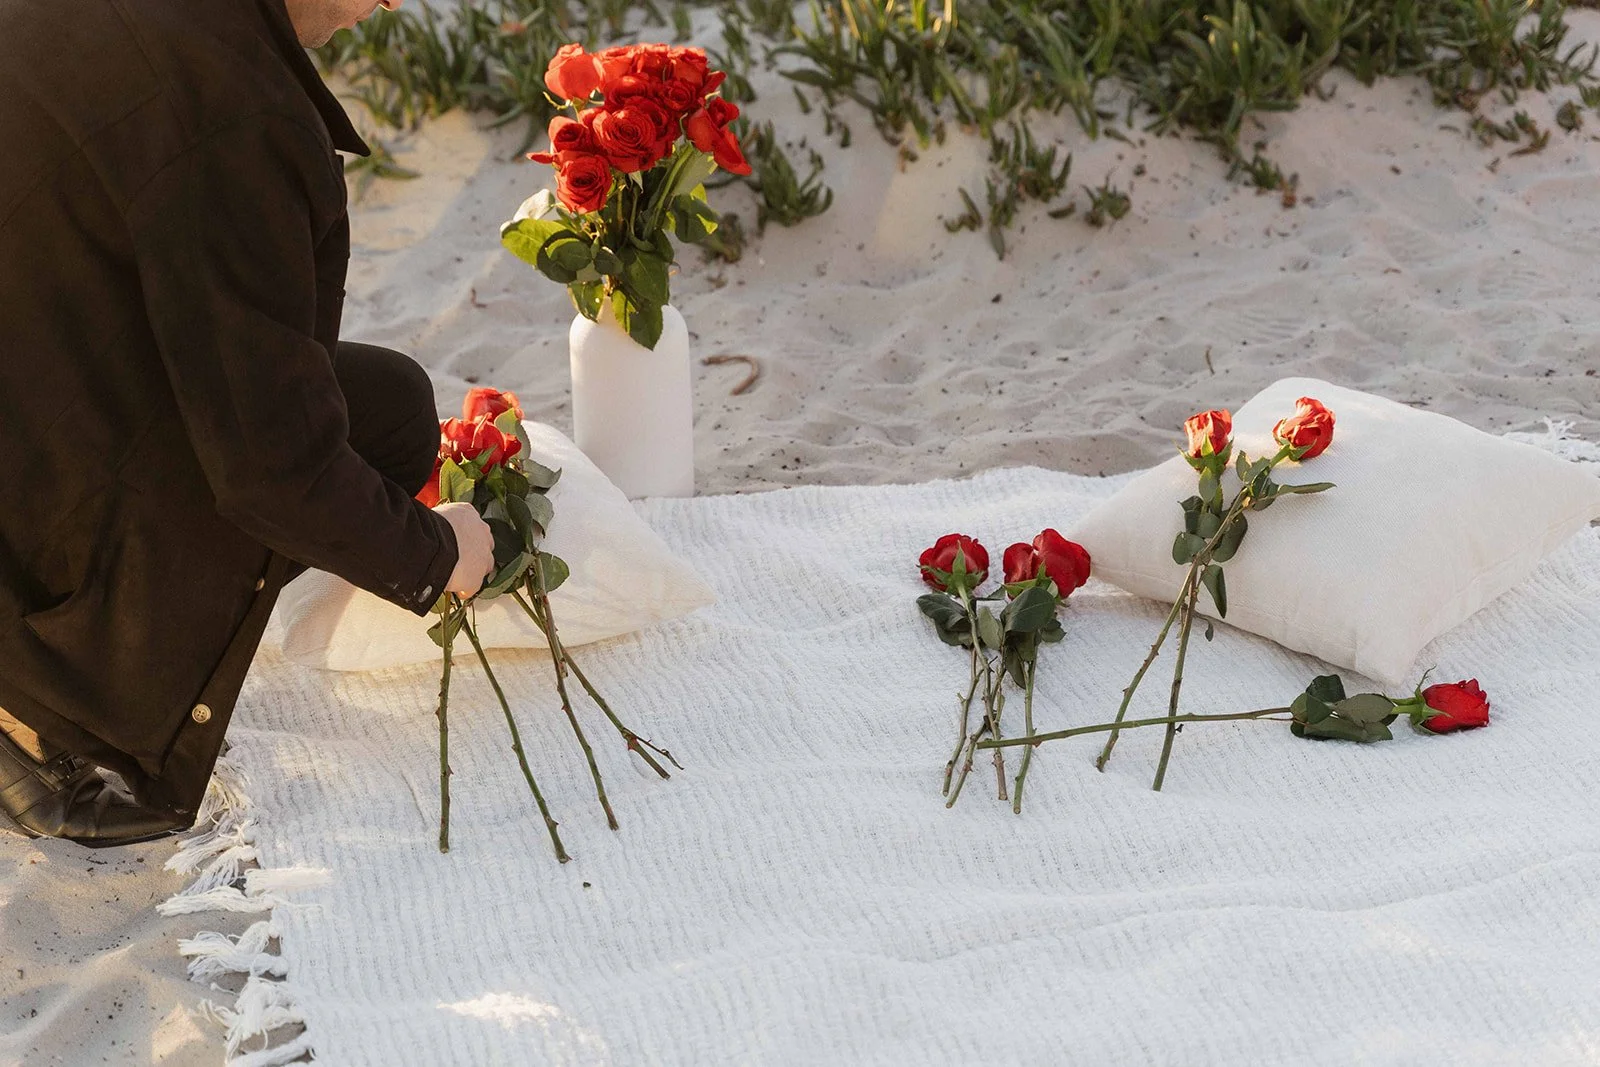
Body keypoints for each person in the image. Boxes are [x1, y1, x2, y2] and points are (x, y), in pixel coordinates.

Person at [0, 0, 496, 846]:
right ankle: (40, 703)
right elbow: (270, 465)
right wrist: (435, 555)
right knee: (298, 465)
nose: (392, 4)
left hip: (36, 368)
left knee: (388, 411)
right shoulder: (234, 110)